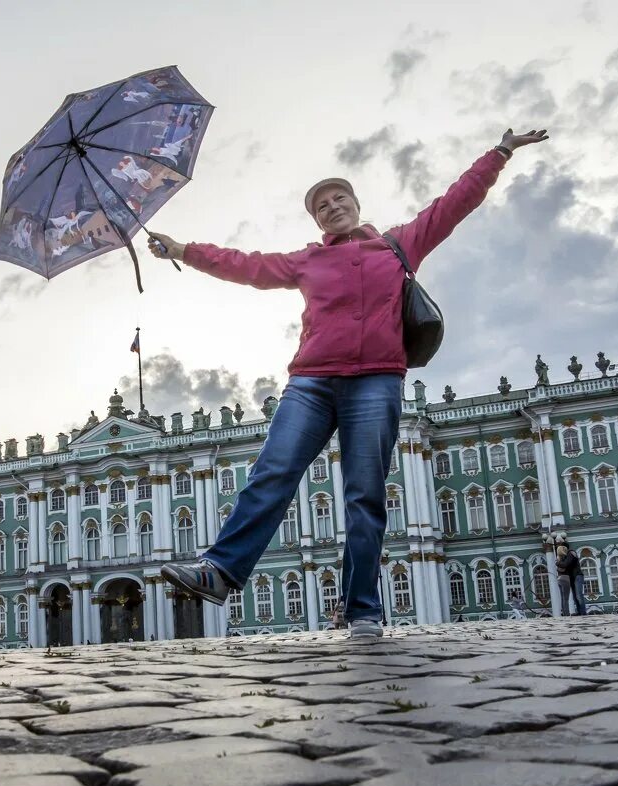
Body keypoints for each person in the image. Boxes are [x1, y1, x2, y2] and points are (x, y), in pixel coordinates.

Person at [150, 128, 550, 638]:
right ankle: (221, 570)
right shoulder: (307, 260)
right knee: (273, 470)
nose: (331, 206)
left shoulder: (399, 244)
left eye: (339, 198)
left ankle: (362, 609)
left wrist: (499, 153)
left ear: (357, 205)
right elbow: (242, 265)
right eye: (321, 205)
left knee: (365, 495)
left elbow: (456, 202)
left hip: (376, 382)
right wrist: (182, 247)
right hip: (311, 383)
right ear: (316, 221)